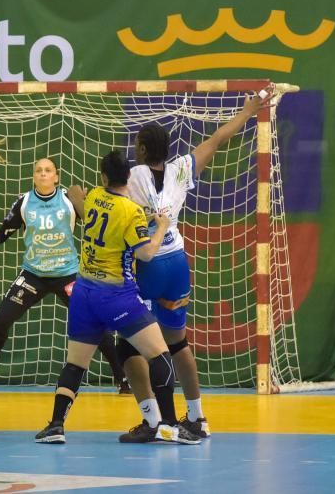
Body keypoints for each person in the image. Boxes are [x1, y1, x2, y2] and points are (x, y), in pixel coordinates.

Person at [119, 86, 274, 440]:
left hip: (148, 262)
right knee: (178, 344)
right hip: (176, 260)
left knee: (128, 347)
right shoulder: (180, 170)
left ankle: (154, 421)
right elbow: (218, 138)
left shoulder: (130, 177)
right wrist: (250, 109)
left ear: (142, 149)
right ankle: (198, 418)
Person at [34, 150, 200, 445]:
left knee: (75, 364)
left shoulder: (96, 195)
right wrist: (161, 227)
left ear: (103, 176)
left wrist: (75, 197)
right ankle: (171, 425)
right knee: (160, 355)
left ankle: (55, 426)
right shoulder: (131, 211)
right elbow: (146, 253)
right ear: (129, 177)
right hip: (116, 296)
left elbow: (88, 209)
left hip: (83, 293)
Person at [0, 158, 131, 393]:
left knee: (95, 323)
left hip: (68, 273)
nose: (43, 174)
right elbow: (6, 229)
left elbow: (93, 224)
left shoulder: (68, 200)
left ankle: (121, 378)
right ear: (33, 176)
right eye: (38, 171)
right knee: (1, 320)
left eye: (48, 170)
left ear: (56, 176)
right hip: (34, 274)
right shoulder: (24, 202)